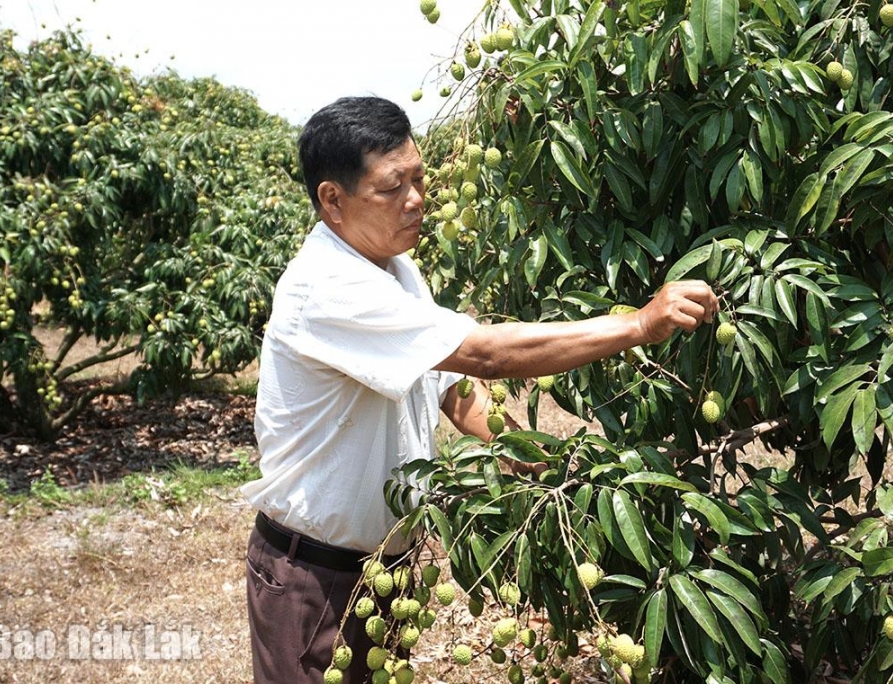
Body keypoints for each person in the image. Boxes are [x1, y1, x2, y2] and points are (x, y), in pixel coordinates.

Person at [241, 96, 718, 684]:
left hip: (384, 572)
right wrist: (639, 325)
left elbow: (451, 390)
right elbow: (484, 355)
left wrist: (534, 460)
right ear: (333, 200)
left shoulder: (396, 270)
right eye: (392, 188)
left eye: (419, 179)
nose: (416, 199)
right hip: (314, 578)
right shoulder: (327, 286)